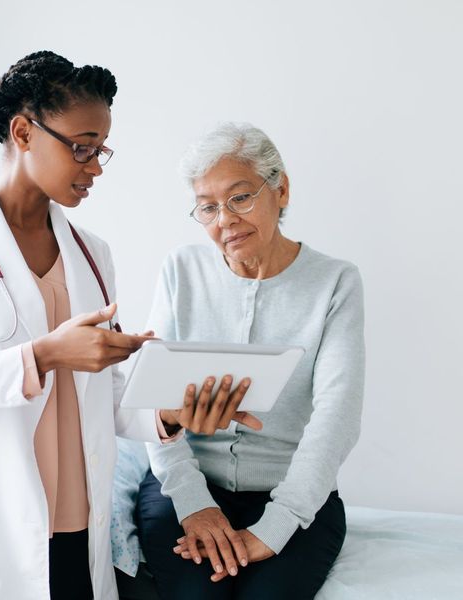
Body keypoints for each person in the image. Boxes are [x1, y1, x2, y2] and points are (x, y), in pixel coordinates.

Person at [0, 54, 259, 600]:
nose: (96, 166)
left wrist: (175, 412)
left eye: (101, 150)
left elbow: (105, 398)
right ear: (23, 132)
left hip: (77, 526)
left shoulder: (93, 254)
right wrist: (42, 356)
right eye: (82, 147)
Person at [136, 122, 365, 599]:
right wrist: (195, 503)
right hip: (185, 485)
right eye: (208, 207)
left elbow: (337, 416)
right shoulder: (181, 270)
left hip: (294, 493)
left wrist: (276, 525)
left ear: (280, 190)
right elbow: (151, 401)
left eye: (240, 198)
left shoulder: (336, 282)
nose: (225, 220)